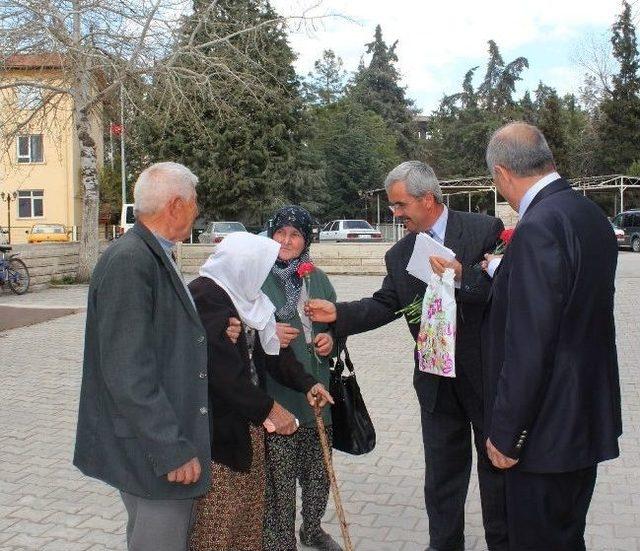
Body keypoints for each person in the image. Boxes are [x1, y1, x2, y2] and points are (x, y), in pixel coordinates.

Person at [306, 161, 507, 551]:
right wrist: (339, 314)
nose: (395, 214)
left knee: (495, 473)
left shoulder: (484, 230)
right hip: (435, 382)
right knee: (442, 477)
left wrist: (461, 274)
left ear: (427, 199)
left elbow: (502, 289)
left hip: (486, 377)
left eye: (400, 206)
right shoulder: (400, 254)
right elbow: (385, 304)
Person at [481, 122, 622, 550]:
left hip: (544, 432)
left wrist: (507, 434)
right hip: (583, 420)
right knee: (566, 537)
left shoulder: (539, 225)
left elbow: (530, 344)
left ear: (502, 174)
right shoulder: (589, 214)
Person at [74, 162, 212, 551]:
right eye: (194, 202)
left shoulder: (152, 254)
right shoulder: (131, 260)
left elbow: (162, 336)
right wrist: (171, 449)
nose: (197, 209)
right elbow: (127, 371)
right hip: (152, 450)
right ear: (176, 205)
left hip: (151, 441)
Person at [187, 231, 333, 551]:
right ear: (243, 265)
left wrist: (309, 384)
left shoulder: (248, 300)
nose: (264, 274)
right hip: (219, 432)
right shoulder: (206, 296)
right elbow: (221, 373)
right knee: (219, 523)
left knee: (247, 516)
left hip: (247, 425)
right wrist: (270, 410)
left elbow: (275, 356)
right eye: (260, 266)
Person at [260, 205, 342, 551]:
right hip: (278, 390)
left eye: (295, 235)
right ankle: (280, 539)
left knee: (318, 469)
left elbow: (337, 323)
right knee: (279, 474)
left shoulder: (316, 278)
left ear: (306, 240)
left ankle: (312, 529)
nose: (286, 240)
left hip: (318, 387)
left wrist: (331, 341)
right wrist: (266, 329)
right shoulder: (258, 276)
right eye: (280, 233)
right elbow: (240, 323)